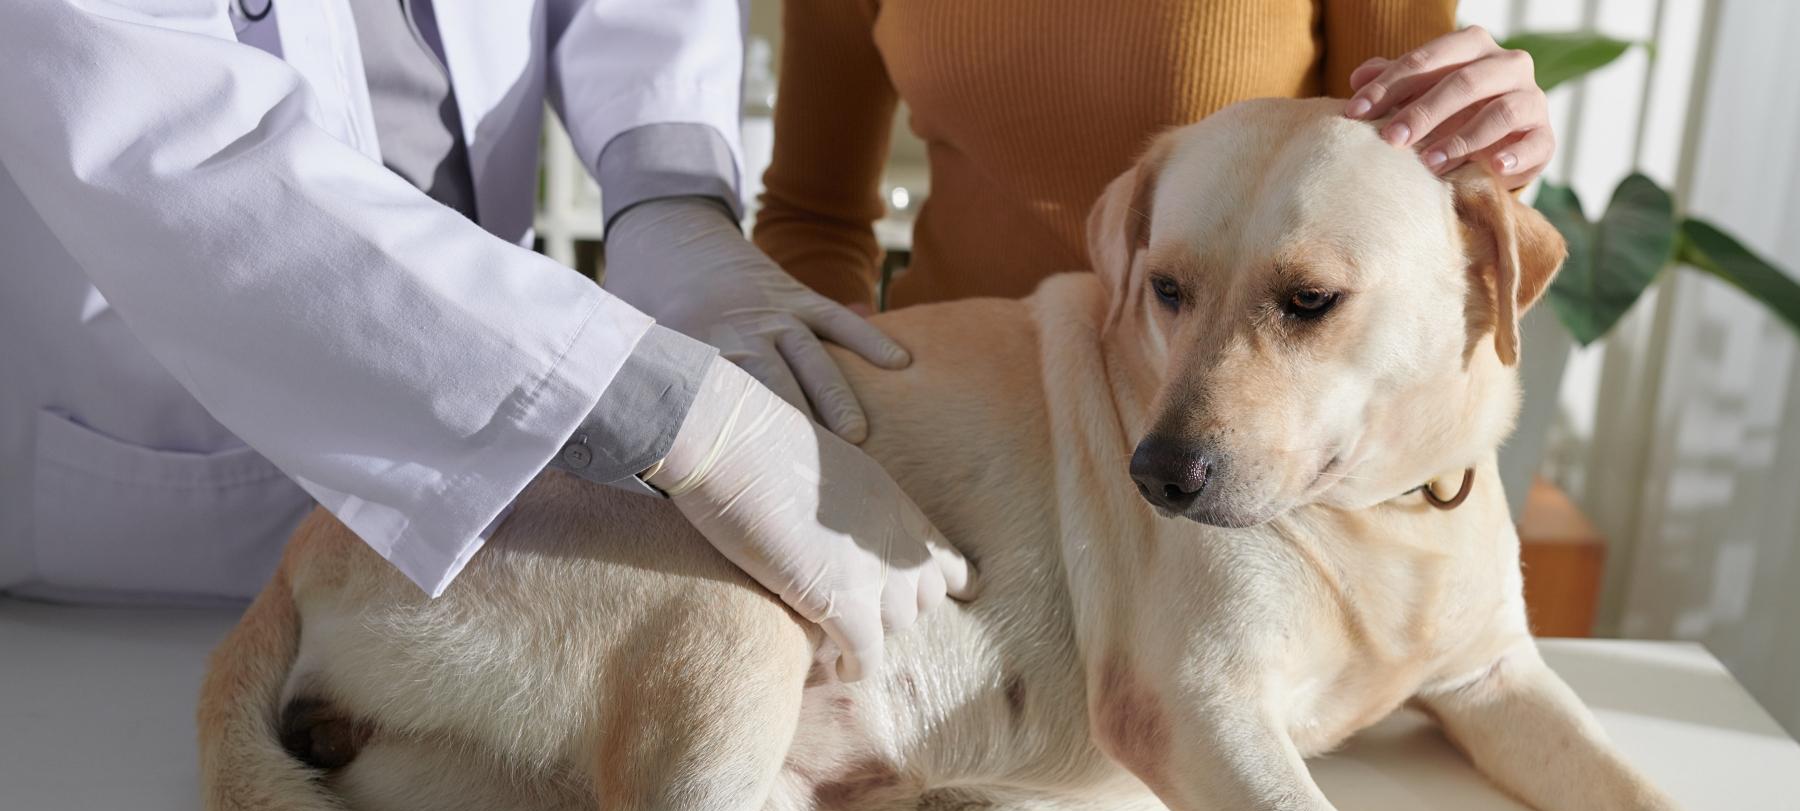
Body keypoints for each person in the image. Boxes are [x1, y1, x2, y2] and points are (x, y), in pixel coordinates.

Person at [0, 0, 971, 680]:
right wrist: (664, 411)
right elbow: (177, 146)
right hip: (141, 561)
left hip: (487, 555)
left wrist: (669, 194)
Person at [755, 4, 1555, 312]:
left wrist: (1499, 157)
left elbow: (1418, 193)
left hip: (1226, 463)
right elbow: (811, 219)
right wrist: (842, 412)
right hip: (954, 441)